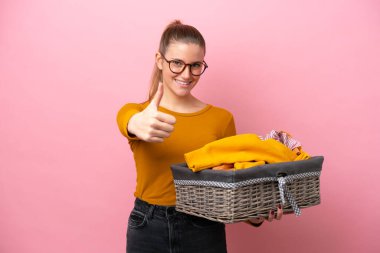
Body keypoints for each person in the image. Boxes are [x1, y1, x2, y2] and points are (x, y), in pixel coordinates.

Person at [116, 20, 282, 253]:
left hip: (203, 225)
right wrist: (136, 123)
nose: (187, 74)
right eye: (177, 63)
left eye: (195, 65)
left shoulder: (221, 119)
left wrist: (256, 215)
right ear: (159, 60)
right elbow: (126, 119)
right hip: (148, 225)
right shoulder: (140, 113)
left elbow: (229, 185)